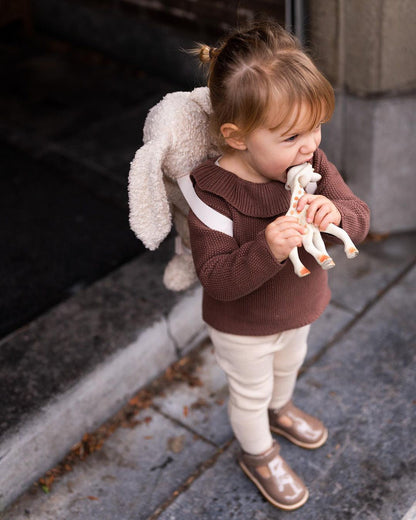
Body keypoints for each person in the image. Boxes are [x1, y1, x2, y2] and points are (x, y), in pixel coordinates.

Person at [188, 21, 370, 510]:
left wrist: (338, 214)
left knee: (290, 363)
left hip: (301, 305)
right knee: (250, 391)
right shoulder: (211, 193)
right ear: (238, 136)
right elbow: (218, 279)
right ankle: (258, 452)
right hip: (242, 325)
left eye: (316, 127)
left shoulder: (311, 165)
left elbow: (359, 216)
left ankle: (282, 408)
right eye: (292, 136)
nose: (310, 144)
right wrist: (266, 248)